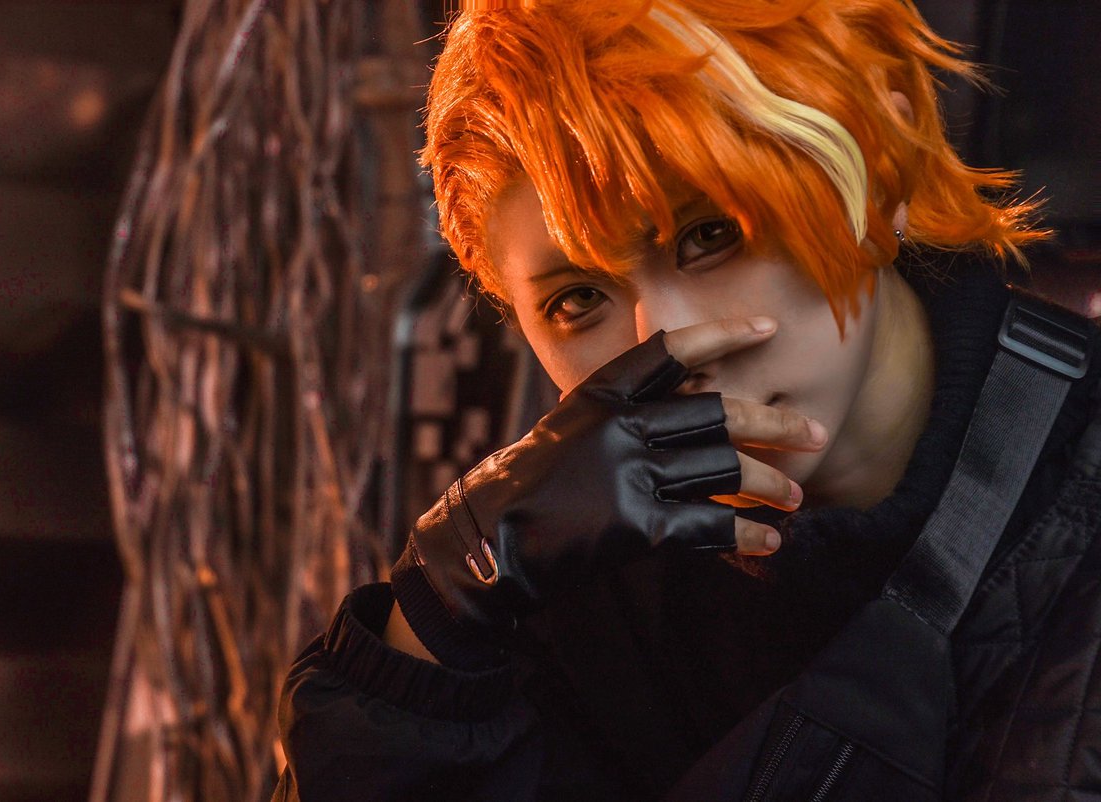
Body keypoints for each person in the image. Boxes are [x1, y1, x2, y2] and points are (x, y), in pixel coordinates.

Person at [271, 0, 1101, 799]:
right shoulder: (574, 587)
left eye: (710, 235)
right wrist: (445, 602)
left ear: (877, 163)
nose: (665, 342)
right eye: (577, 300)